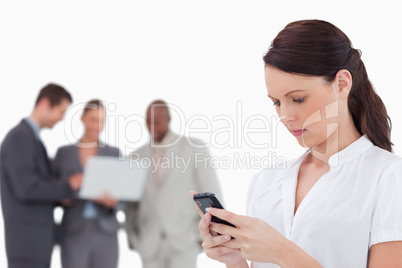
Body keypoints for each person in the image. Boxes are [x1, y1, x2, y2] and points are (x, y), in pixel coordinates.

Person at [194, 20, 402, 267]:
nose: (285, 116)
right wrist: (234, 260)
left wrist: (282, 252)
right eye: (277, 102)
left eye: (298, 98)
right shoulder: (266, 181)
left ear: (342, 84)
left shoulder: (389, 177)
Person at [124, 100, 223, 268]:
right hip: (149, 243)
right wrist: (133, 237)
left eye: (156, 122)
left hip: (184, 239)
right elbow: (131, 203)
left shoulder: (194, 148)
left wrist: (210, 232)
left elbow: (210, 190)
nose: (151, 126)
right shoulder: (135, 156)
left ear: (168, 120)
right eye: (147, 122)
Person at [0, 83, 82, 268]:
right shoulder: (19, 138)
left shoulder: (34, 140)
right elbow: (27, 188)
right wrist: (68, 186)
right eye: (60, 112)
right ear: (45, 103)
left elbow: (37, 186)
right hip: (27, 245)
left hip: (35, 244)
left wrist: (60, 198)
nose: (61, 118)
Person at [53, 99, 121, 268]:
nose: (97, 125)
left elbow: (124, 193)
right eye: (92, 119)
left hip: (105, 232)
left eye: (101, 121)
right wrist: (63, 196)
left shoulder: (113, 153)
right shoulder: (64, 154)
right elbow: (52, 190)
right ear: (82, 118)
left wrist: (114, 203)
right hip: (74, 231)